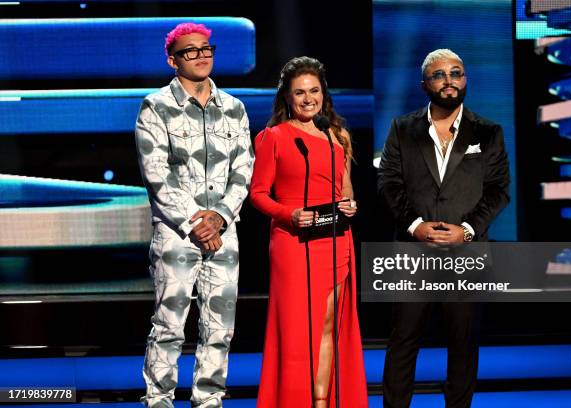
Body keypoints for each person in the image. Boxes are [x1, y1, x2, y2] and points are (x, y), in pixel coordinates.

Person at [378, 48, 510, 408]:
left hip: (466, 253)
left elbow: (499, 191)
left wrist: (466, 230)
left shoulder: (489, 131)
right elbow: (389, 184)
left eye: (456, 73)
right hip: (411, 254)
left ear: (465, 80)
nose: (449, 80)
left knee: (463, 342)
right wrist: (416, 226)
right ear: (424, 84)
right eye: (439, 75)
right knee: (403, 341)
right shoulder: (402, 128)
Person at [135, 22, 254, 408]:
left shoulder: (234, 109)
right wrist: (196, 223)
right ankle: (159, 399)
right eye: (191, 51)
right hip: (176, 233)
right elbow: (157, 175)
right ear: (173, 60)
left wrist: (219, 217)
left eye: (206, 48)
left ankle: (209, 399)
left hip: (224, 232)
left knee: (220, 327)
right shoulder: (155, 107)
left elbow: (243, 169)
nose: (202, 55)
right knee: (169, 325)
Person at [250, 56, 368, 408]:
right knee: (299, 332)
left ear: (323, 93)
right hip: (292, 243)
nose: (307, 99)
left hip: (335, 244)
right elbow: (257, 194)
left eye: (313, 91)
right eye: (299, 92)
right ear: (287, 97)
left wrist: (350, 206)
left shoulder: (338, 136)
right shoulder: (273, 137)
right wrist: (289, 214)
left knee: (329, 325)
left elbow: (345, 193)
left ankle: (320, 401)